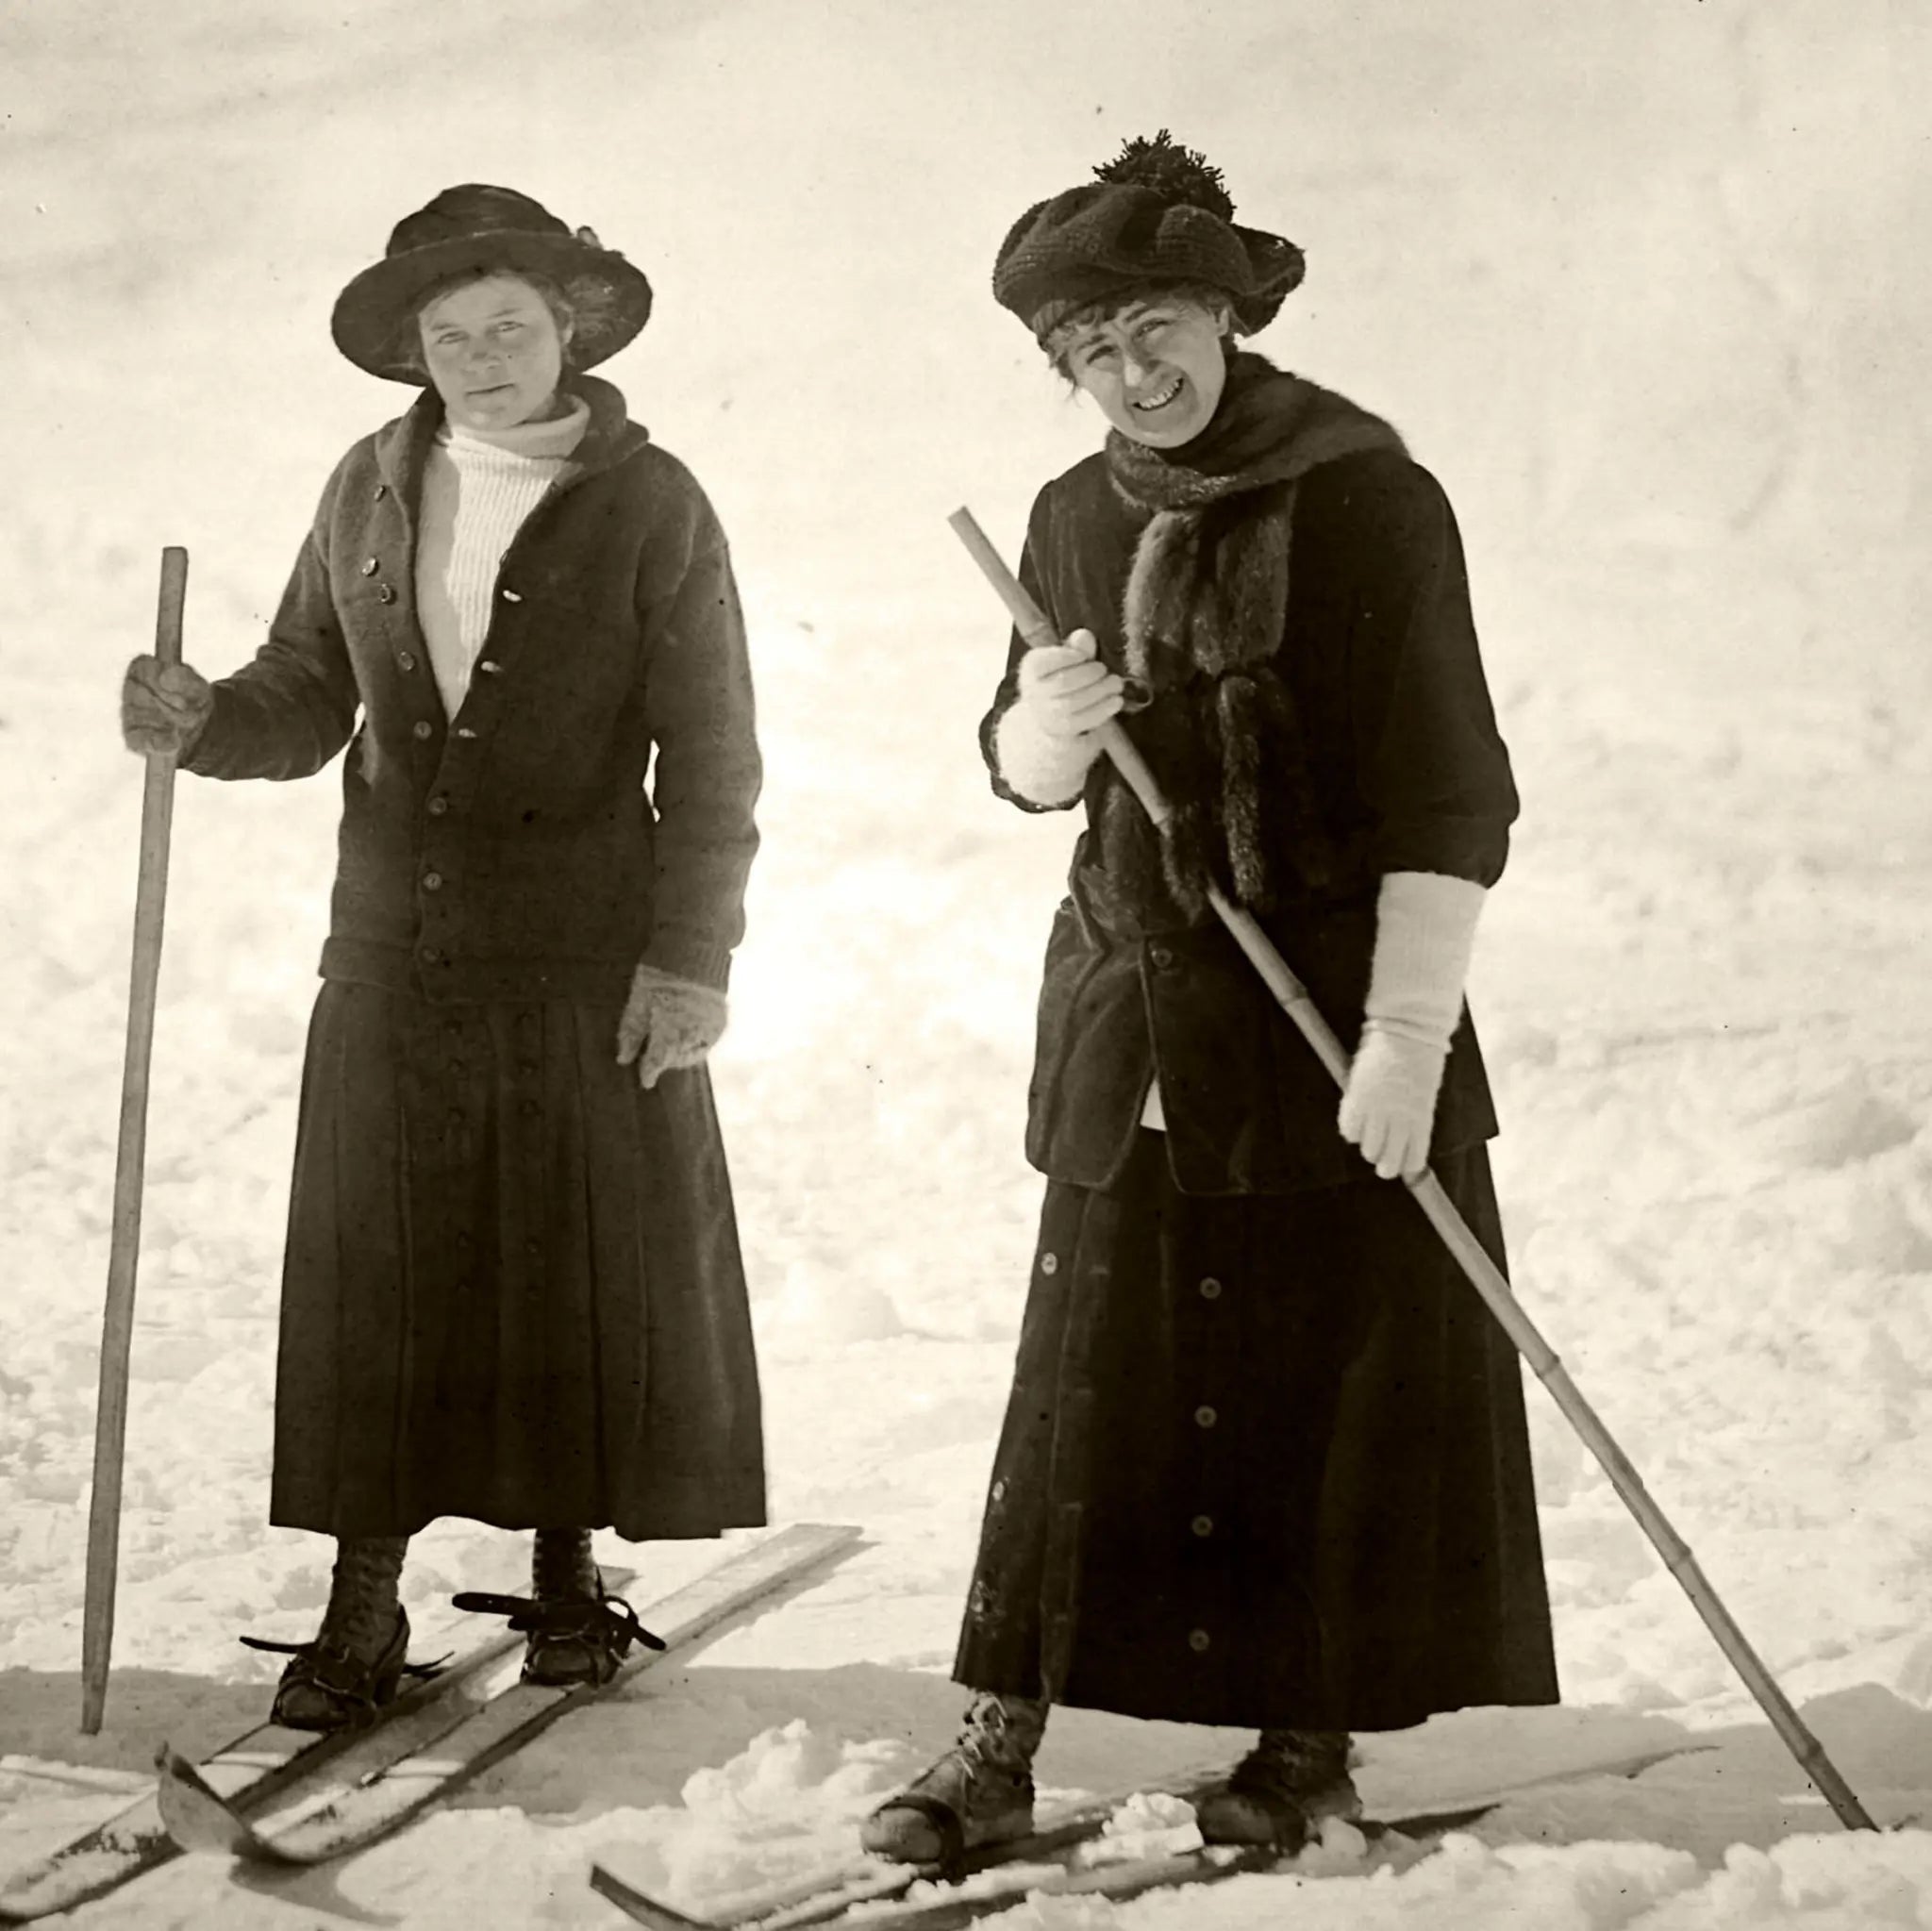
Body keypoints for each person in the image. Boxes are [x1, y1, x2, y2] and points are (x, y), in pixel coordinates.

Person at [862, 133, 1557, 1857]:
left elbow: (1450, 787)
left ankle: (1300, 1749)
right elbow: (1023, 779)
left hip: (1324, 1021)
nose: (1130, 373)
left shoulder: (1370, 495)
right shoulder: (1068, 514)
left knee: (1319, 1388)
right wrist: (1048, 720)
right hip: (1135, 1014)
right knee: (1085, 1382)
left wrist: (1406, 1034)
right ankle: (993, 1741)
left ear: (1227, 312)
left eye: (1157, 325)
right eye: (1088, 351)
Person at [120, 185, 766, 1729]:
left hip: (586, 958)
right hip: (393, 949)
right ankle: (361, 1603)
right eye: (450, 336)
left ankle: (564, 1579)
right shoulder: (371, 483)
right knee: (382, 1269)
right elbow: (303, 683)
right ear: (417, 353)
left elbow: (717, 753)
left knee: (569, 1263)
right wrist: (206, 719)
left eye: (509, 328)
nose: (481, 359)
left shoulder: (654, 500)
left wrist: (692, 957)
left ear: (571, 331)